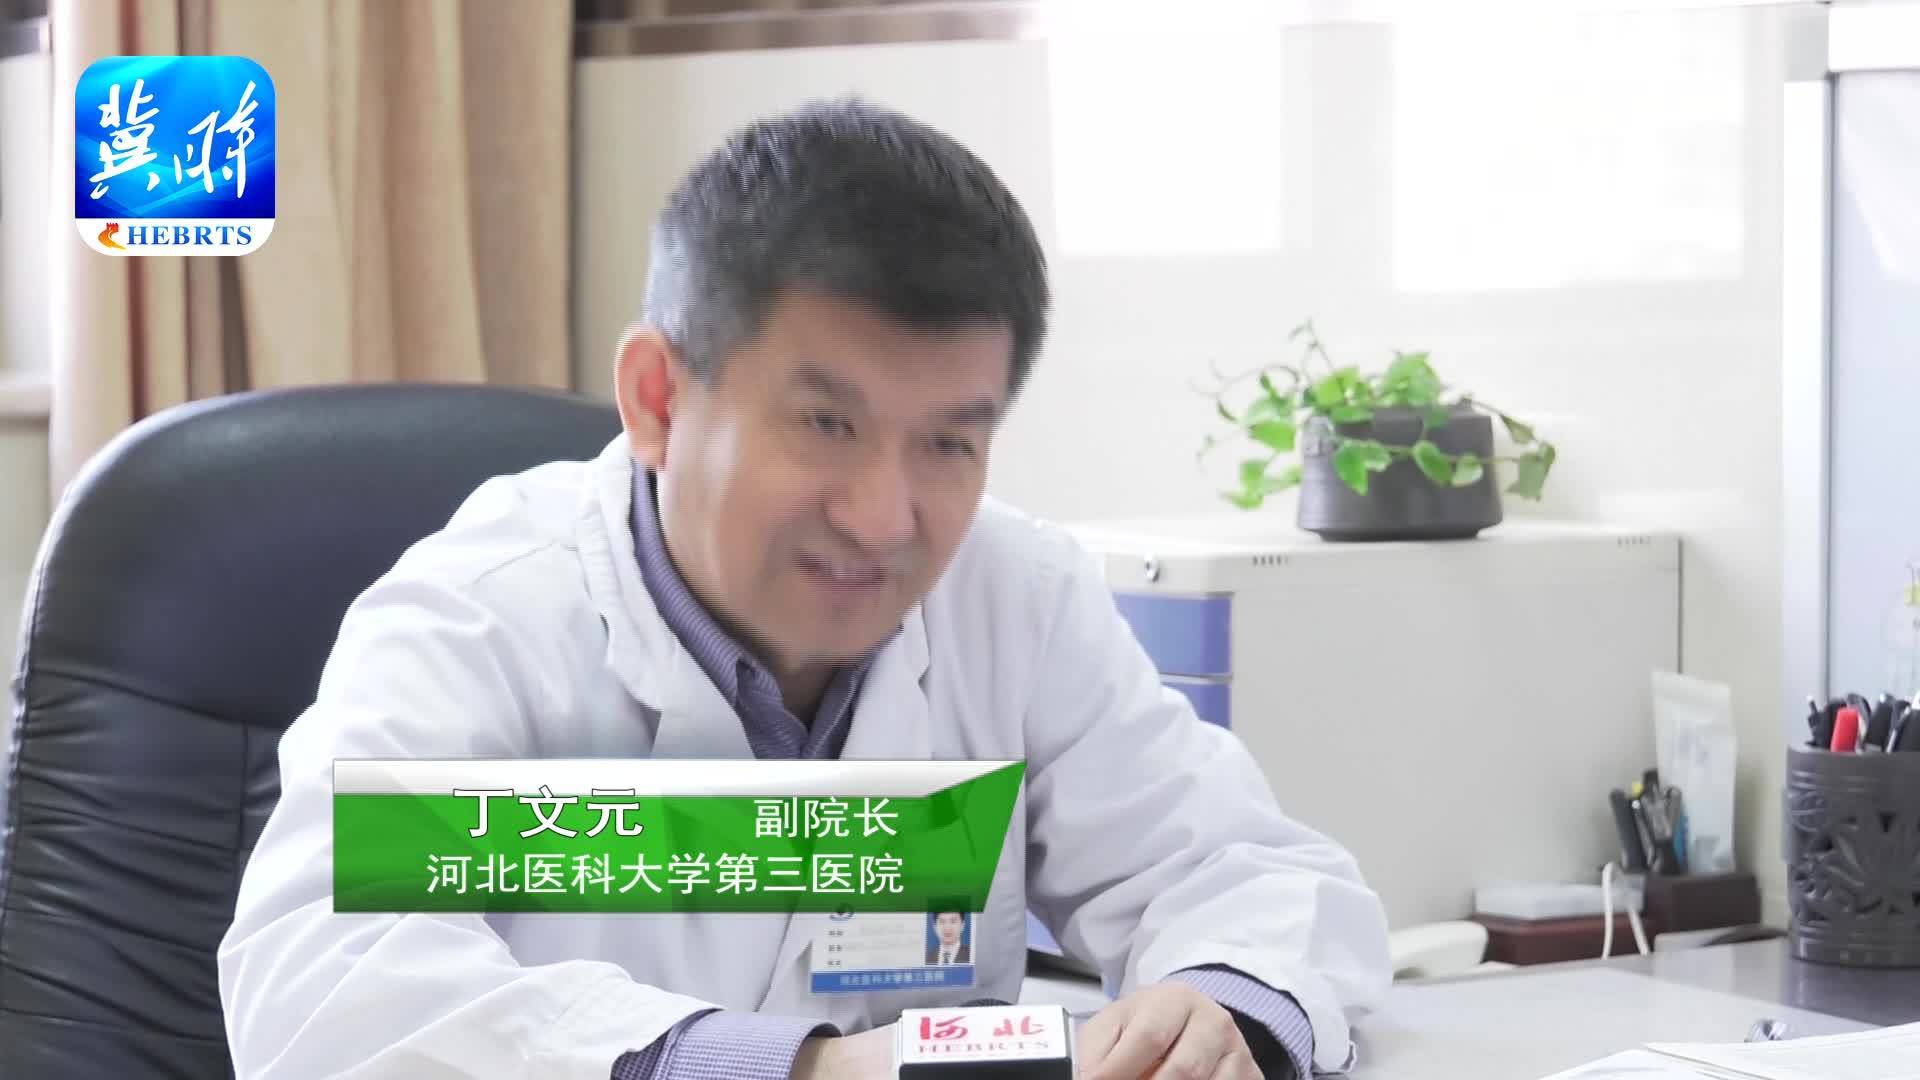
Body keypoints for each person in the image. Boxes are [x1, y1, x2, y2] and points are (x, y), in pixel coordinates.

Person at [217, 98, 1390, 1080]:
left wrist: (1219, 1008)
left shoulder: (1015, 597)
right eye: (827, 425)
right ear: (658, 400)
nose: (884, 519)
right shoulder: (479, 619)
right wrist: (791, 1070)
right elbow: (325, 981)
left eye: (949, 443)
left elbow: (1241, 872)